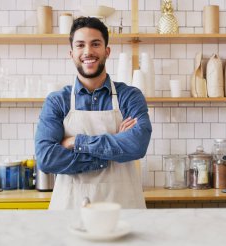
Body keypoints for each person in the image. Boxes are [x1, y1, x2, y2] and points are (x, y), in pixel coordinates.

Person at [35, 17, 152, 210]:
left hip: (123, 208)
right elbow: (46, 158)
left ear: (107, 51)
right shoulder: (57, 101)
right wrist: (113, 148)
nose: (88, 51)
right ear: (71, 53)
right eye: (80, 45)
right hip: (70, 209)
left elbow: (137, 146)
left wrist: (76, 142)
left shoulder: (130, 96)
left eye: (95, 44)